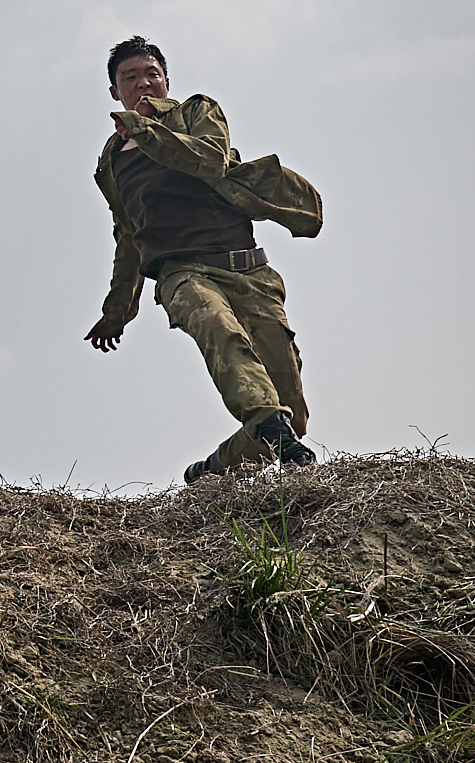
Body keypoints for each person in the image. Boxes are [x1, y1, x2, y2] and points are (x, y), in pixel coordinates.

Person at [84, 36, 326, 483]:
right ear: (115, 92)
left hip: (249, 269)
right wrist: (116, 311)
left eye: (151, 75)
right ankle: (268, 426)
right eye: (130, 78)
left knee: (291, 414)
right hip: (182, 274)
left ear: (166, 81)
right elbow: (129, 236)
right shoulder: (112, 162)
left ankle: (214, 469)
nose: (143, 84)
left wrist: (147, 130)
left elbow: (211, 160)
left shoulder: (196, 113)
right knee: (220, 331)